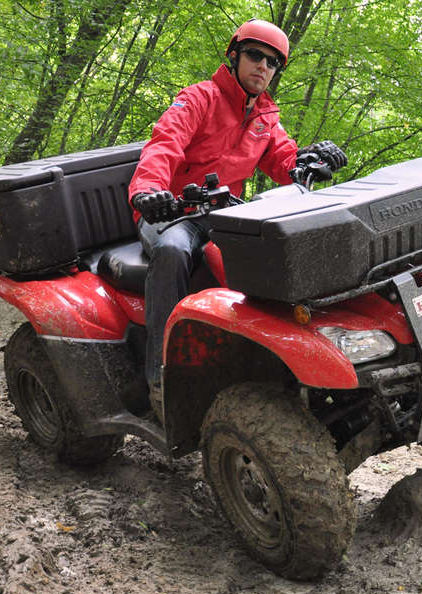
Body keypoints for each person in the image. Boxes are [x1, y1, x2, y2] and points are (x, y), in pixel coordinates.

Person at [127, 19, 347, 411]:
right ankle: (162, 378)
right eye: (255, 55)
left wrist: (311, 161)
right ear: (234, 55)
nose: (263, 66)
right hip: (172, 211)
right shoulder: (198, 99)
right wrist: (148, 191)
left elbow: (285, 161)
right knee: (173, 252)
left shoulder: (265, 118)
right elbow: (164, 145)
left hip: (224, 213)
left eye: (272, 62)